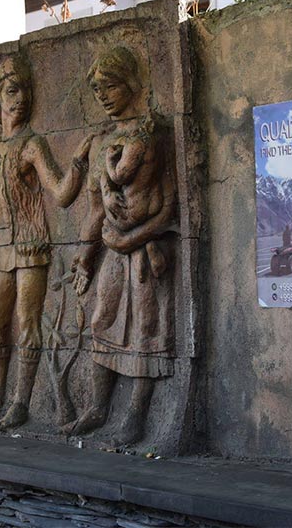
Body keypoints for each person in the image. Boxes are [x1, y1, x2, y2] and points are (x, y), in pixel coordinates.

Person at [0, 55, 93, 431]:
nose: (21, 98)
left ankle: (21, 402)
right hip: (0, 248)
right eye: (12, 91)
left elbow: (60, 194)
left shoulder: (32, 145)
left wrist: (78, 164)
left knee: (27, 323)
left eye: (25, 90)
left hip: (30, 246)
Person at [63, 47, 176, 445]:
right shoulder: (102, 143)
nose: (104, 96)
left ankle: (135, 417)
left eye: (110, 86)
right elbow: (95, 209)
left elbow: (167, 205)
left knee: (146, 327)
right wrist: (84, 254)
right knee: (102, 320)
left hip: (144, 249)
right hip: (112, 251)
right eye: (97, 91)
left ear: (130, 84)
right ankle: (97, 407)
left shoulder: (151, 134)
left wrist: (136, 237)